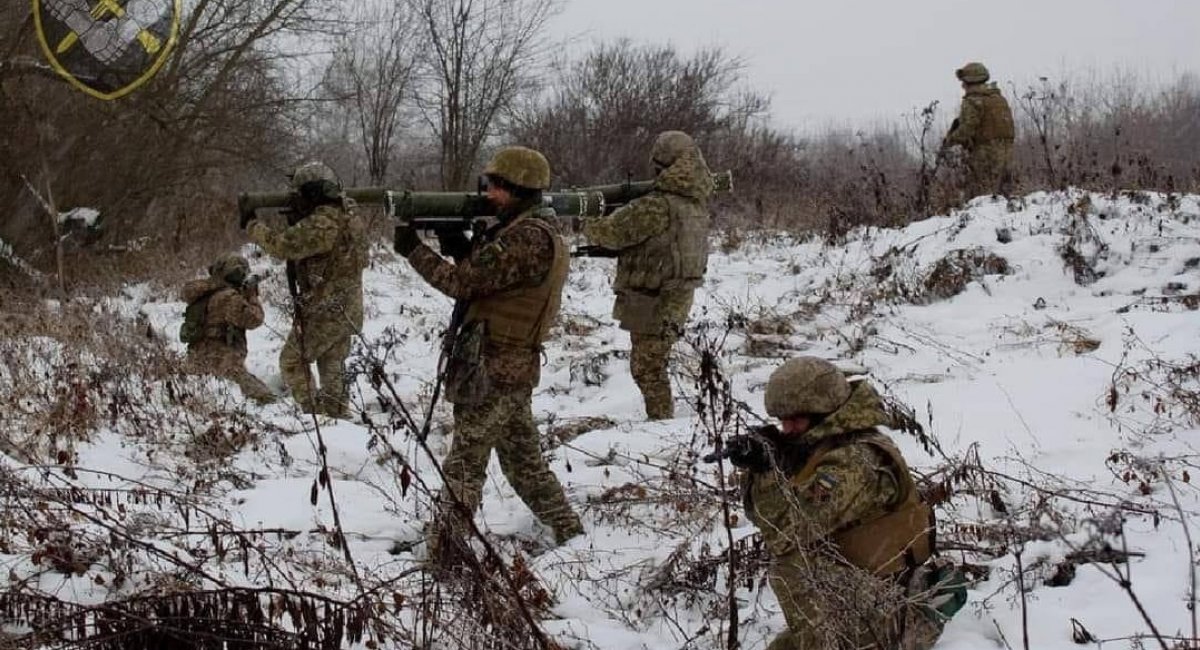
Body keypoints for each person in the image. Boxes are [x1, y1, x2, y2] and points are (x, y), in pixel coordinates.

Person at [393, 146, 583, 560]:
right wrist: (457, 243)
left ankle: (444, 550)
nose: (489, 194)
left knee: (465, 464)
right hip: (509, 367)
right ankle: (570, 532)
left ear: (518, 189)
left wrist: (413, 249)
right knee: (523, 463)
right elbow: (491, 278)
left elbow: (464, 285)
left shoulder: (528, 237)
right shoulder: (528, 230)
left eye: (496, 186)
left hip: (494, 368)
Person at [733, 356, 961, 650]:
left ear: (824, 412)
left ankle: (895, 633)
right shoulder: (824, 445)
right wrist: (764, 466)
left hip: (889, 611)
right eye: (782, 421)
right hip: (866, 592)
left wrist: (766, 471)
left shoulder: (856, 460)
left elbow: (789, 534)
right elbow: (768, 519)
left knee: (794, 565)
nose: (787, 429)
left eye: (796, 419)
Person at [581, 131, 713, 420]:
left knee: (647, 368)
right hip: (678, 293)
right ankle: (662, 419)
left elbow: (611, 234)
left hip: (653, 297)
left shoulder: (657, 204)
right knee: (654, 364)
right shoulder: (694, 201)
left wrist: (587, 217)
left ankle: (661, 424)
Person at [246, 162, 367, 418]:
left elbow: (281, 246)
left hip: (327, 311)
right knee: (332, 362)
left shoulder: (322, 224)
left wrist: (252, 226)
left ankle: (316, 417)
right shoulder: (350, 217)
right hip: (350, 307)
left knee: (292, 361)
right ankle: (337, 418)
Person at [179, 253, 276, 404]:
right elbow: (254, 319)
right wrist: (252, 296)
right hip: (223, 360)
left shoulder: (207, 293)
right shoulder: (227, 297)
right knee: (266, 398)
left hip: (197, 356)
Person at [942, 61, 1016, 199]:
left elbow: (966, 130)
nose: (962, 85)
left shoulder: (973, 101)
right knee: (1003, 196)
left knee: (980, 199)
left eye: (964, 82)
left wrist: (950, 141)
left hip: (985, 156)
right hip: (1007, 155)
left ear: (971, 81)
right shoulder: (999, 98)